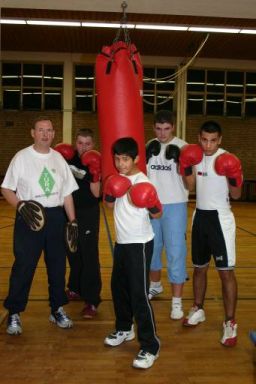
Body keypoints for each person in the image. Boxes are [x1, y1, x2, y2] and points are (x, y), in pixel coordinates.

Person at [1, 116, 79, 335]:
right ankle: (14, 312)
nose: (45, 134)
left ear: (54, 134)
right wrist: (21, 206)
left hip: (55, 218)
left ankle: (57, 308)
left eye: (49, 130)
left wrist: (72, 222)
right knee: (24, 266)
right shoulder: (22, 157)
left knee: (57, 266)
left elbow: (67, 194)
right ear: (33, 133)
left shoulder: (59, 159)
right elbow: (7, 188)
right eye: (41, 130)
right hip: (30, 217)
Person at [181, 120, 243, 347]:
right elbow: (189, 186)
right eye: (204, 140)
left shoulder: (228, 158)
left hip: (221, 218)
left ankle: (230, 321)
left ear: (220, 140)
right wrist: (185, 165)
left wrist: (234, 174)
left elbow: (236, 195)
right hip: (200, 216)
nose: (208, 145)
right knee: (199, 268)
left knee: (226, 272)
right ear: (199, 137)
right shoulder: (195, 156)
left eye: (213, 141)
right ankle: (198, 308)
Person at [103, 137, 161, 369]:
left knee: (139, 295)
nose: (120, 164)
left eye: (125, 159)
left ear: (136, 159)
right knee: (118, 288)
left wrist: (149, 199)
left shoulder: (142, 181)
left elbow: (157, 215)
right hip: (122, 242)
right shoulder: (117, 178)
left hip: (140, 244)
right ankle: (125, 328)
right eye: (117, 159)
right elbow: (108, 206)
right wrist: (111, 188)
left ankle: (150, 346)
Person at [146, 110, 189, 320]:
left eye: (167, 129)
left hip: (175, 206)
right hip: (152, 205)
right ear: (154, 127)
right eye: (158, 129)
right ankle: (155, 285)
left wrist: (182, 165)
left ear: (173, 127)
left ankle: (177, 301)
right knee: (152, 249)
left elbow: (190, 185)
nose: (162, 134)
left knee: (175, 252)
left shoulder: (183, 147)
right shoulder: (148, 146)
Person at [55, 129, 102, 318]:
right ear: (75, 142)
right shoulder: (66, 157)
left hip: (88, 212)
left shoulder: (97, 160)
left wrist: (96, 173)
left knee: (89, 255)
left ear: (93, 144)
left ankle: (92, 300)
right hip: (66, 211)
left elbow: (97, 194)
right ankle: (75, 287)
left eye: (87, 143)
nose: (83, 147)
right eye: (80, 143)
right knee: (72, 251)